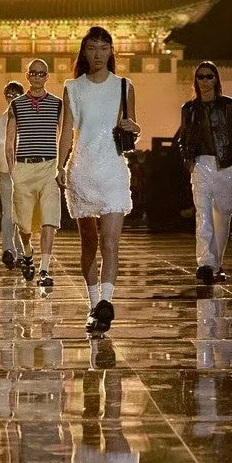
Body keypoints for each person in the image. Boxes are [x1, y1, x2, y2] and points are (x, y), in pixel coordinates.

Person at [57, 26, 139, 334]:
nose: (98, 54)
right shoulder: (73, 87)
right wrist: (61, 166)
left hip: (113, 169)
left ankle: (106, 302)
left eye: (104, 48)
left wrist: (135, 127)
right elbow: (67, 130)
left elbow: (130, 128)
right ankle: (93, 305)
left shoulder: (124, 86)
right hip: (83, 168)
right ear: (84, 51)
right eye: (92, 48)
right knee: (89, 243)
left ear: (111, 52)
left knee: (110, 242)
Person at [177, 61, 232, 285]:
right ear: (196, 80)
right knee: (203, 214)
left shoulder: (229, 106)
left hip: (225, 165)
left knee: (223, 214)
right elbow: (182, 138)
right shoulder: (188, 109)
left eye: (209, 76)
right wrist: (188, 161)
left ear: (217, 79)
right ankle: (205, 264)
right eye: (201, 76)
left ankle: (217, 263)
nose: (205, 81)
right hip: (200, 164)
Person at [6, 59, 63, 286]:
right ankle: (28, 252)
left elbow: (64, 136)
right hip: (24, 168)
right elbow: (10, 141)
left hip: (49, 167)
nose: (38, 77)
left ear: (47, 77)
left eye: (42, 74)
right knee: (24, 224)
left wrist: (61, 165)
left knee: (50, 219)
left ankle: (44, 269)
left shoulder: (58, 104)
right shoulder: (16, 105)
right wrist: (13, 171)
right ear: (27, 76)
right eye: (34, 73)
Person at [0, 81, 24, 269]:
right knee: (8, 214)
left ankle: (20, 249)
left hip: (25, 175)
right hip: (5, 175)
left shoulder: (27, 120)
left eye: (16, 95)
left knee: (21, 215)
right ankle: (8, 250)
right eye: (9, 95)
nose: (12, 98)